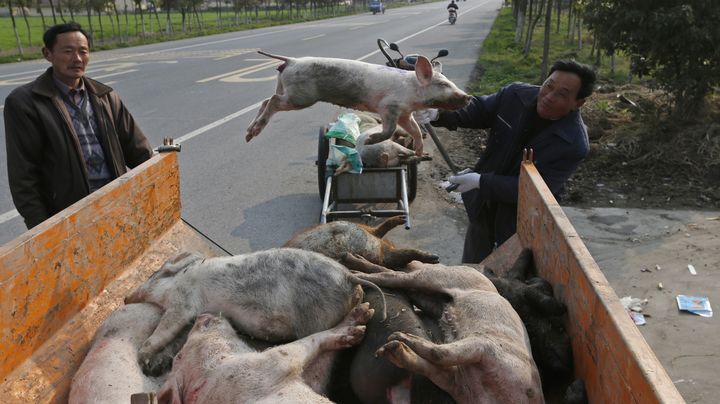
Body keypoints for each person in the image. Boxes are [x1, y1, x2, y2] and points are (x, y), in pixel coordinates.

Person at [428, 59, 597, 263]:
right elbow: (478, 110)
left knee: (511, 274)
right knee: (472, 266)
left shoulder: (572, 144)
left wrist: (480, 181)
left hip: (523, 221)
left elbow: (534, 190)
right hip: (483, 205)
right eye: (548, 86)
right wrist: (438, 113)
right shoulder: (515, 95)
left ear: (578, 103)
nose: (549, 97)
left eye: (562, 94)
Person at [4, 23, 154, 229]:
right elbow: (23, 176)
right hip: (68, 218)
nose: (77, 59)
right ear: (48, 54)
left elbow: (139, 151)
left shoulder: (105, 96)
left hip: (116, 204)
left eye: (83, 51)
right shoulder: (25, 103)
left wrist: (157, 187)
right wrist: (41, 229)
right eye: (68, 51)